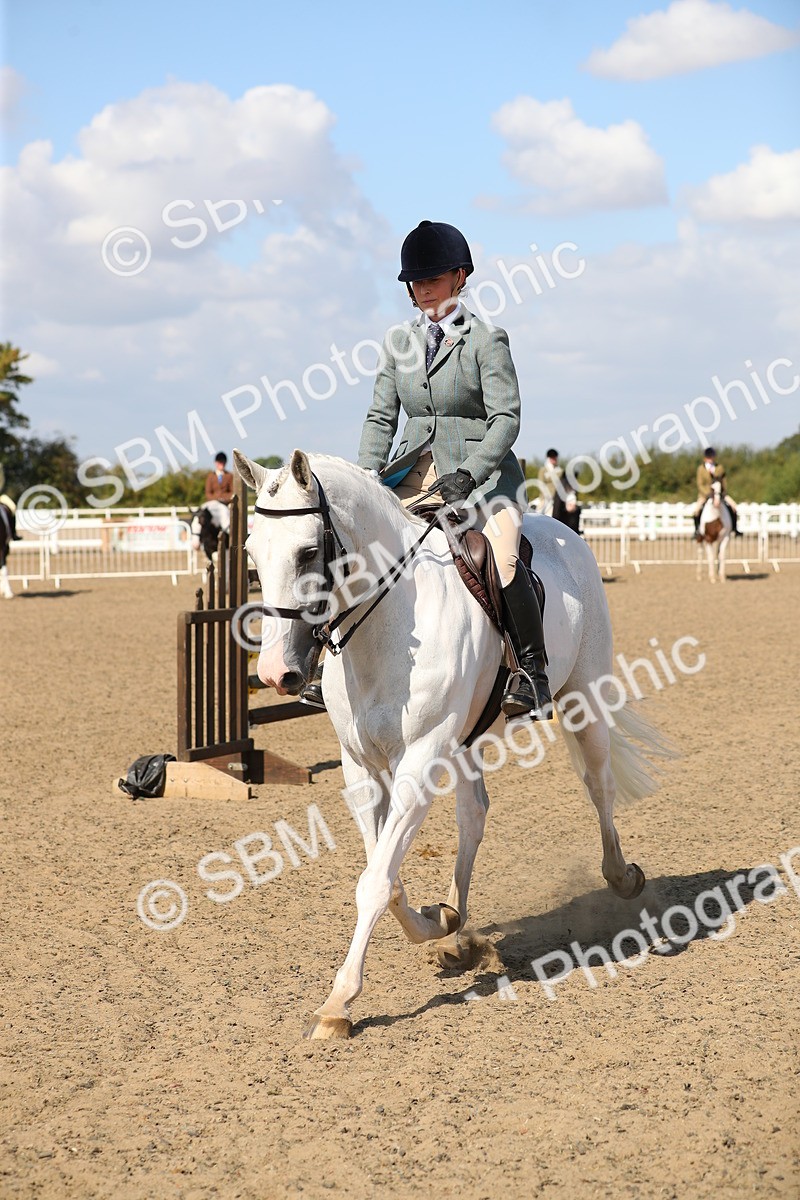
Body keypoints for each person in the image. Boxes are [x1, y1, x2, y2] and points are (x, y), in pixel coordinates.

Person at [339, 218, 551, 721]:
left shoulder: (486, 339)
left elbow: (506, 418)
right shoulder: (397, 343)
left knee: (501, 552)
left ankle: (531, 671)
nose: (422, 289)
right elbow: (380, 417)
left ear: (459, 277)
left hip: (485, 477)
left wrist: (471, 473)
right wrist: (368, 478)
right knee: (356, 542)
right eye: (416, 282)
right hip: (412, 474)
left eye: (432, 279)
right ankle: (327, 663)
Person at [694, 447, 741, 539]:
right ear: (705, 458)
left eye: (712, 457)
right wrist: (708, 493)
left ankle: (735, 529)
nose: (710, 459)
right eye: (708, 457)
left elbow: (724, 481)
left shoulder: (719, 467)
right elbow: (700, 484)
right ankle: (697, 530)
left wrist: (722, 492)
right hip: (705, 495)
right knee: (696, 510)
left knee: (734, 506)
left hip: (720, 493)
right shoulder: (701, 469)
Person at [204, 452, 234, 534]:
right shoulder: (210, 476)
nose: (222, 464)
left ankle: (228, 531)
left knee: (225, 513)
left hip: (225, 503)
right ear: (216, 463)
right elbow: (208, 493)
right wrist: (216, 499)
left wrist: (224, 499)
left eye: (223, 462)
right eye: (220, 462)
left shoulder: (230, 476)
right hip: (213, 502)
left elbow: (232, 491)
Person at [537, 449, 564, 516]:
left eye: (555, 457)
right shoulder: (543, 470)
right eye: (552, 458)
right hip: (546, 497)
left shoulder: (560, 471)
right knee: (539, 512)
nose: (554, 459)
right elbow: (540, 483)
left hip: (557, 498)